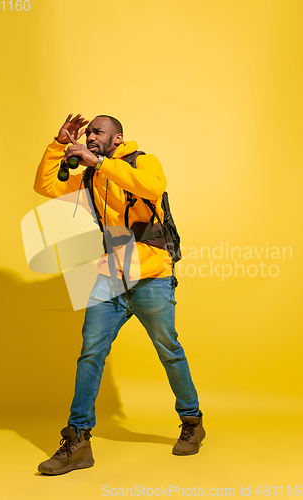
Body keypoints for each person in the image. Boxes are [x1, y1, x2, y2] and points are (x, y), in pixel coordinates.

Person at [34, 113, 205, 475]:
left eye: (98, 132)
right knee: (91, 353)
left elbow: (151, 189)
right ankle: (78, 441)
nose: (90, 137)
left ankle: (192, 421)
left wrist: (100, 162)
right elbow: (45, 186)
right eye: (88, 133)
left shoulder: (142, 161)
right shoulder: (93, 177)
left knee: (169, 350)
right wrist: (57, 145)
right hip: (109, 276)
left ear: (116, 138)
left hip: (152, 273)